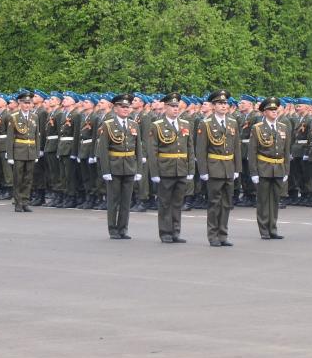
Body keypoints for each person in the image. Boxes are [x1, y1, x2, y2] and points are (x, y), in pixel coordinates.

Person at [147, 92, 195, 243]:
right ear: (165, 107)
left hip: (181, 168)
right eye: (172, 106)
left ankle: (175, 232)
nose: (175, 109)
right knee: (165, 202)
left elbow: (190, 148)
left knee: (177, 202)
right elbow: (152, 151)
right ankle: (165, 232)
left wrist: (191, 169)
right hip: (165, 169)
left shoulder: (185, 124)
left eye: (177, 106)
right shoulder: (157, 125)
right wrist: (154, 172)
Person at [196, 90, 242, 246]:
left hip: (229, 167)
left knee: (227, 203)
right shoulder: (206, 123)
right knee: (214, 203)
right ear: (213, 106)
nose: (224, 106)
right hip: (214, 168)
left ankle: (223, 235)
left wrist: (237, 168)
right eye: (220, 103)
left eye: (225, 103)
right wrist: (203, 171)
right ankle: (213, 235)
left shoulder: (232, 122)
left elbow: (236, 147)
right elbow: (201, 149)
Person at [95, 93, 143, 239]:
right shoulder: (108, 124)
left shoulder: (134, 125)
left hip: (129, 166)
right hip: (114, 166)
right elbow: (103, 149)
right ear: (115, 108)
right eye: (122, 107)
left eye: (127, 107)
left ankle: (123, 229)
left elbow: (138, 148)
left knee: (126, 200)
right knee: (113, 200)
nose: (126, 109)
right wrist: (105, 170)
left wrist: (138, 169)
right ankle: (113, 229)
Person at [248, 96, 290, 239]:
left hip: (278, 168)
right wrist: (254, 172)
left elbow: (286, 151)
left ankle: (273, 228)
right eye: (271, 109)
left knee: (275, 200)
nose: (274, 111)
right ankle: (264, 230)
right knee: (263, 201)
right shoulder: (257, 128)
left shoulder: (283, 127)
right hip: (264, 168)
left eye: (275, 109)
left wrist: (286, 170)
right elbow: (252, 152)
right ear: (264, 112)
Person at [6, 91, 41, 212]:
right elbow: (10, 137)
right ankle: (18, 202)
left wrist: (37, 153)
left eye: (29, 103)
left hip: (31, 151)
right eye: (25, 103)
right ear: (20, 103)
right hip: (19, 151)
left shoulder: (34, 117)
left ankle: (25, 201)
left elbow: (36, 136)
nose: (27, 105)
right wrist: (10, 155)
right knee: (18, 178)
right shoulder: (14, 116)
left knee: (28, 178)